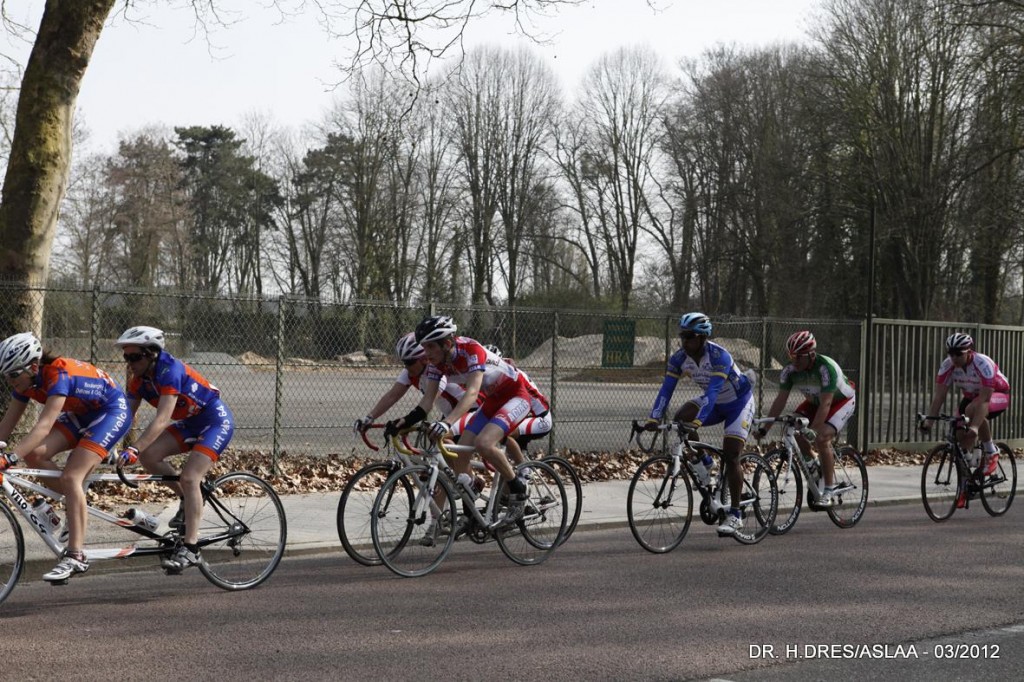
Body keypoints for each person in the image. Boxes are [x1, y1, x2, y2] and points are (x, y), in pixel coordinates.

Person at [0, 332, 132, 582]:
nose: (9, 381)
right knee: (36, 455)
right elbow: (5, 427)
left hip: (110, 411)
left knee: (72, 477)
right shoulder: (25, 382)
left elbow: (43, 426)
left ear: (33, 367)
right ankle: (75, 506)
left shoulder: (58, 375)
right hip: (82, 413)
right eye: (6, 375)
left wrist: (10, 458)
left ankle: (76, 556)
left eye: (14, 374)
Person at [388, 315, 534, 533]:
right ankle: (469, 515)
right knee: (461, 454)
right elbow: (427, 401)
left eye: (430, 347)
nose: (425, 354)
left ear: (447, 344)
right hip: (493, 400)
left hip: (515, 395)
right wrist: (403, 422)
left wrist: (447, 423)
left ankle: (518, 490)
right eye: (423, 347)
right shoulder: (438, 363)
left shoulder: (471, 350)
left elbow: (473, 393)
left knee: (484, 444)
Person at [115, 325, 235, 571]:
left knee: (191, 477)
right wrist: (104, 444)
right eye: (126, 357)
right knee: (151, 456)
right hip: (190, 423)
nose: (130, 363)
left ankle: (191, 548)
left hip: (215, 421)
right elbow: (126, 415)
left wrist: (134, 448)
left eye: (135, 357)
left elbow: (162, 418)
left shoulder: (171, 370)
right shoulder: (137, 379)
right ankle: (185, 499)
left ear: (152, 354)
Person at [643, 312, 755, 537]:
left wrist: (698, 421)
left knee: (732, 454)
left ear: (703, 337)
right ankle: (704, 462)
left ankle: (735, 514)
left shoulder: (718, 356)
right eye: (682, 336)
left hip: (738, 403)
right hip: (714, 403)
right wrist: (653, 418)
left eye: (689, 336)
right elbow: (666, 389)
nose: (684, 341)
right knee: (681, 418)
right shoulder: (678, 358)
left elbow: (713, 392)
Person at [753, 330, 856, 507]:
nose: (795, 360)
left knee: (822, 438)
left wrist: (813, 431)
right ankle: (813, 464)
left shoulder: (825, 368)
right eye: (791, 356)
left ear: (811, 354)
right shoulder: (789, 371)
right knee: (792, 427)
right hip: (815, 402)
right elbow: (779, 401)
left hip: (839, 401)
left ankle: (829, 491)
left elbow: (826, 404)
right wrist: (765, 428)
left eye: (799, 357)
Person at [920, 333, 1010, 505]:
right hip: (972, 398)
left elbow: (984, 401)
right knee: (959, 432)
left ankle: (991, 451)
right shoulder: (948, 365)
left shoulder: (982, 363)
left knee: (972, 410)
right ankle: (967, 481)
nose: (954, 357)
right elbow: (939, 396)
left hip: (997, 395)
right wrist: (929, 422)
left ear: (969, 352)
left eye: (958, 353)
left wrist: (975, 427)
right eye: (950, 353)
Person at [353, 332, 476, 438]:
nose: (406, 367)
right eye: (404, 362)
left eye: (409, 362)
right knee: (437, 445)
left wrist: (406, 421)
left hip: (470, 409)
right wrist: (370, 417)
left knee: (444, 439)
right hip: (450, 413)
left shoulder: (437, 371)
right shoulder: (410, 372)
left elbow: (429, 402)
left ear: (424, 359)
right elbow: (392, 396)